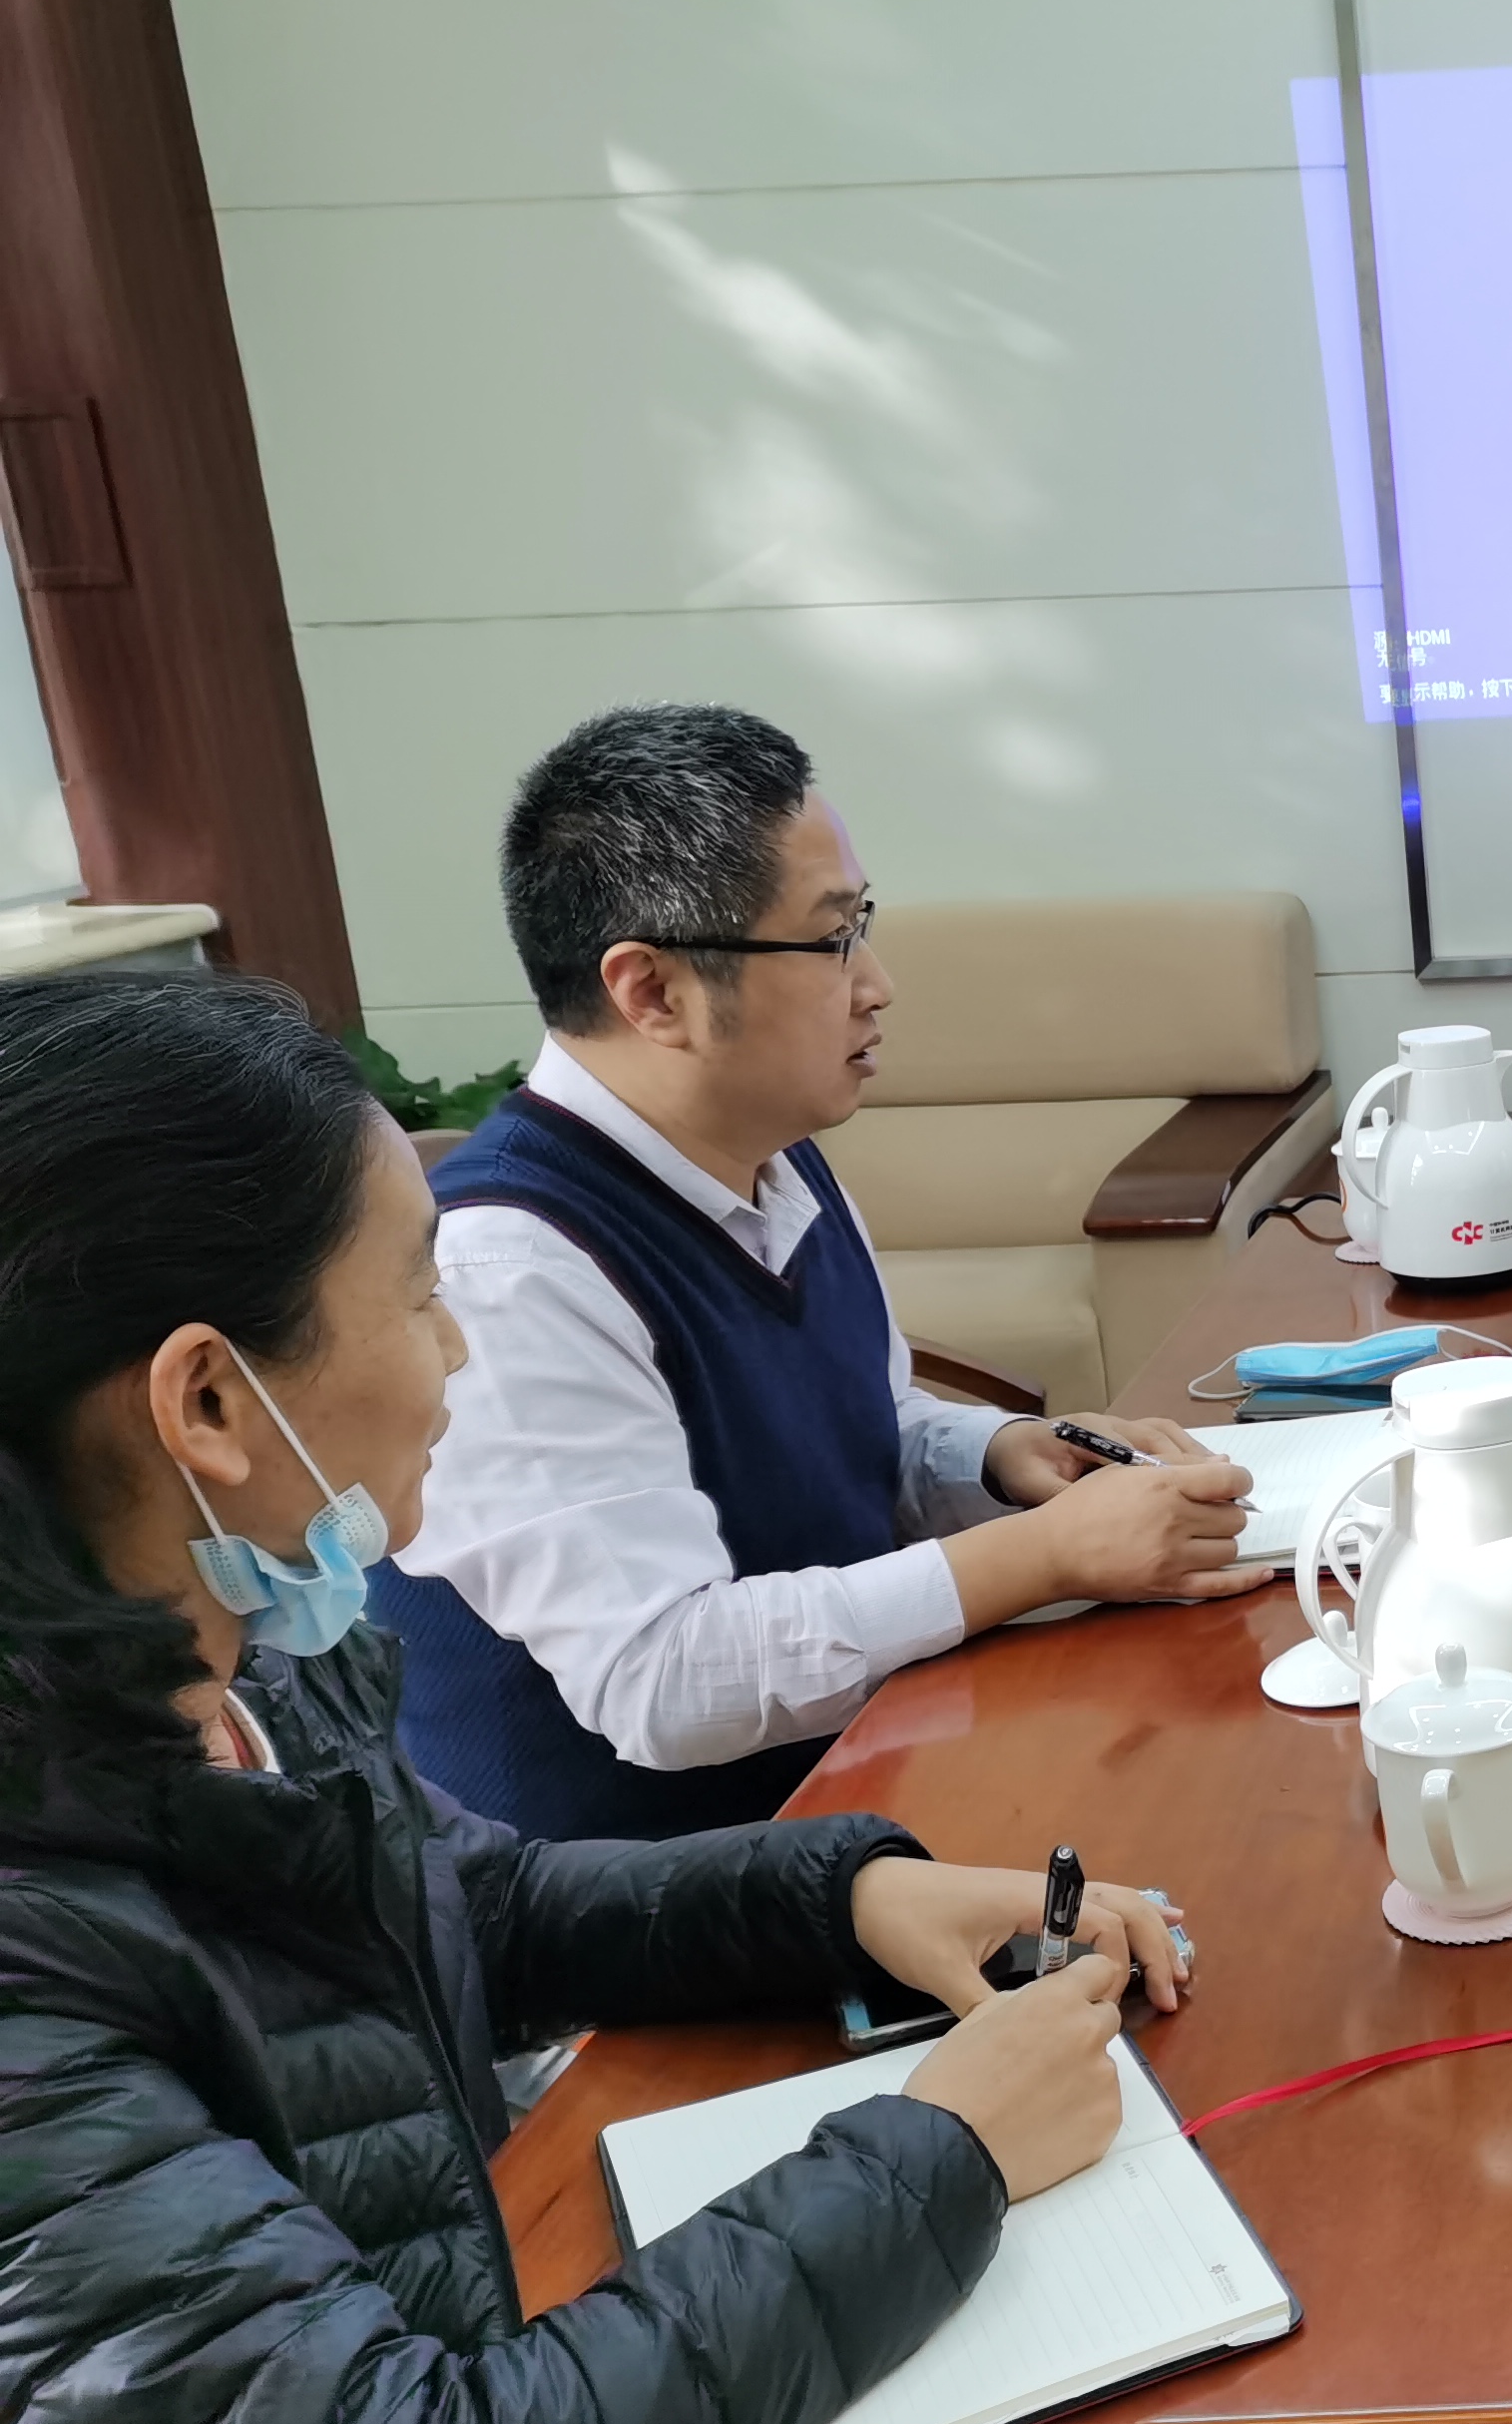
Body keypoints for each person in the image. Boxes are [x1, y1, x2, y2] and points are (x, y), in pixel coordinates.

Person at [0, 970, 1183, 2424]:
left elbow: (471, 1903)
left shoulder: (238, 1657)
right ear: (208, 1407)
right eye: (420, 1296)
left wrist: (849, 1897)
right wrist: (945, 2152)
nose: (456, 1353)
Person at [374, 705, 1269, 1841]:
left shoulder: (771, 1151)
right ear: (652, 993)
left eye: (863, 925)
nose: (876, 983)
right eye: (832, 939)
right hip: (636, 1900)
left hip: (854, 1794)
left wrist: (997, 1459)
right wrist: (1041, 1556)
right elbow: (663, 1681)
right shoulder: (511, 1268)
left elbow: (858, 1426)